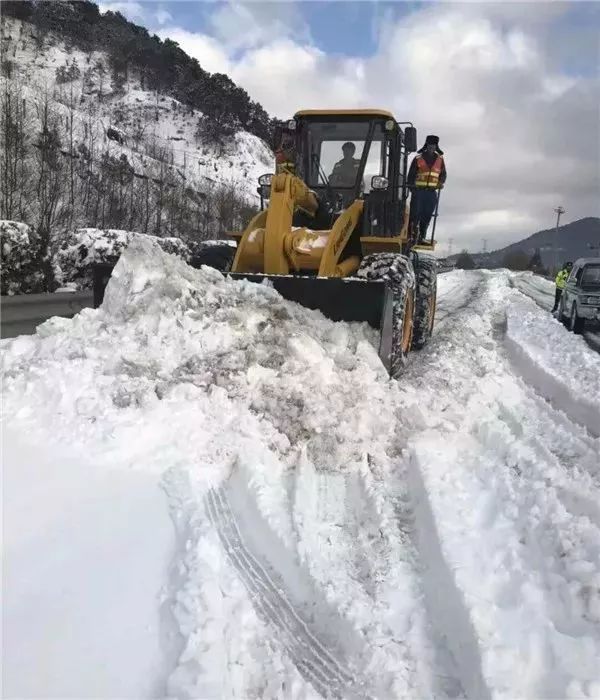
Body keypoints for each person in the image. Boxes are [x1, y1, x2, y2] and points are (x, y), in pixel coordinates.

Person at [407, 134, 447, 242]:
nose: (431, 147)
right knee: (415, 214)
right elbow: (410, 176)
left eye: (433, 145)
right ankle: (411, 235)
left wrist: (441, 182)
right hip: (418, 191)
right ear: (426, 145)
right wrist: (413, 189)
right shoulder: (418, 158)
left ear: (436, 146)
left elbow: (443, 174)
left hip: (431, 193)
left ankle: (422, 236)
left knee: (427, 214)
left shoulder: (440, 160)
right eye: (429, 145)